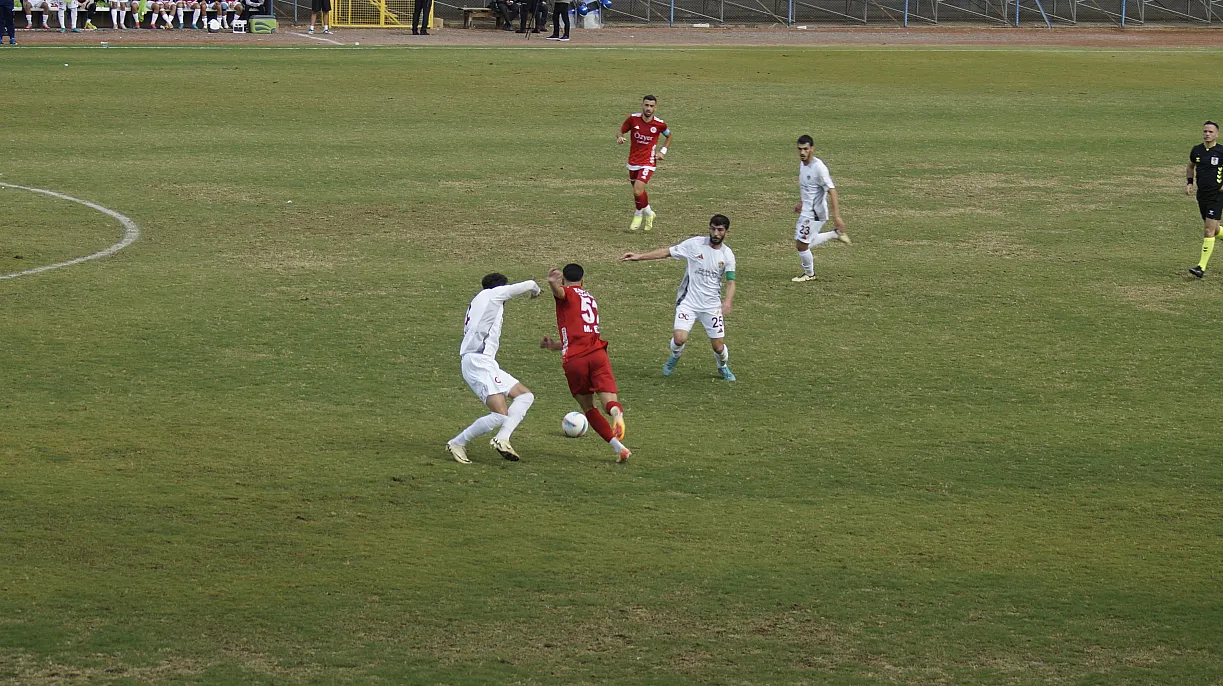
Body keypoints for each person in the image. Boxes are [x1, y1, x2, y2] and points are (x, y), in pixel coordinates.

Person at [621, 214, 737, 381]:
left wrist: (727, 301)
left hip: (712, 306)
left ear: (726, 232)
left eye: (720, 230)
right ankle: (675, 356)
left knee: (718, 347)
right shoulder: (695, 244)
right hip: (688, 302)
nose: (715, 233)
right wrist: (639, 256)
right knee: (679, 338)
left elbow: (731, 282)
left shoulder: (727, 255)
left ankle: (722, 366)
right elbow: (666, 252)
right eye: (713, 229)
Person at [540, 264, 632, 463]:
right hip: (598, 354)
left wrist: (552, 283)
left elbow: (561, 293)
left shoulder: (567, 293)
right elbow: (580, 332)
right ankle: (616, 413)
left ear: (563, 280)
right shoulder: (590, 298)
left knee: (589, 407)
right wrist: (554, 346)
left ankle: (619, 448)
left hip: (576, 360)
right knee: (609, 401)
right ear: (582, 281)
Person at [446, 273, 542, 464]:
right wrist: (536, 291)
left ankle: (502, 439)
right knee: (499, 415)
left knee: (525, 396)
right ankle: (457, 443)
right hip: (478, 362)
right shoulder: (492, 295)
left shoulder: (481, 301)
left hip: (485, 362)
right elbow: (529, 283)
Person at [790, 134, 851, 283]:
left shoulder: (819, 168)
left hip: (815, 213)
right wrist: (801, 202)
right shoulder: (803, 164)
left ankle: (809, 274)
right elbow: (808, 187)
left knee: (802, 245)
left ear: (812, 148)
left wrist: (837, 216)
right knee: (804, 242)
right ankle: (835, 234)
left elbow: (832, 191)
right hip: (807, 210)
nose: (802, 152)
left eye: (805, 149)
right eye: (800, 149)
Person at [617, 95, 672, 232]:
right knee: (639, 192)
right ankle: (649, 213)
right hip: (633, 161)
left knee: (637, 190)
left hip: (648, 161)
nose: (648, 108)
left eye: (651, 106)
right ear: (642, 105)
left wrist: (662, 152)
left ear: (655, 108)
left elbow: (669, 136)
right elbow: (621, 130)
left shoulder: (659, 124)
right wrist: (620, 137)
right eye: (646, 105)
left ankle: (638, 214)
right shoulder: (633, 119)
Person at [1187, 121, 1223, 278]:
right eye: (1205, 131)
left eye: (1210, 132)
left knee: (1208, 231)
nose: (1207, 134)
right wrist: (1189, 182)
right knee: (1214, 230)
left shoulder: (1221, 151)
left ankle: (1201, 267)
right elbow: (1190, 166)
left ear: (1217, 134)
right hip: (1202, 195)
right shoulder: (1197, 150)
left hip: (1217, 196)